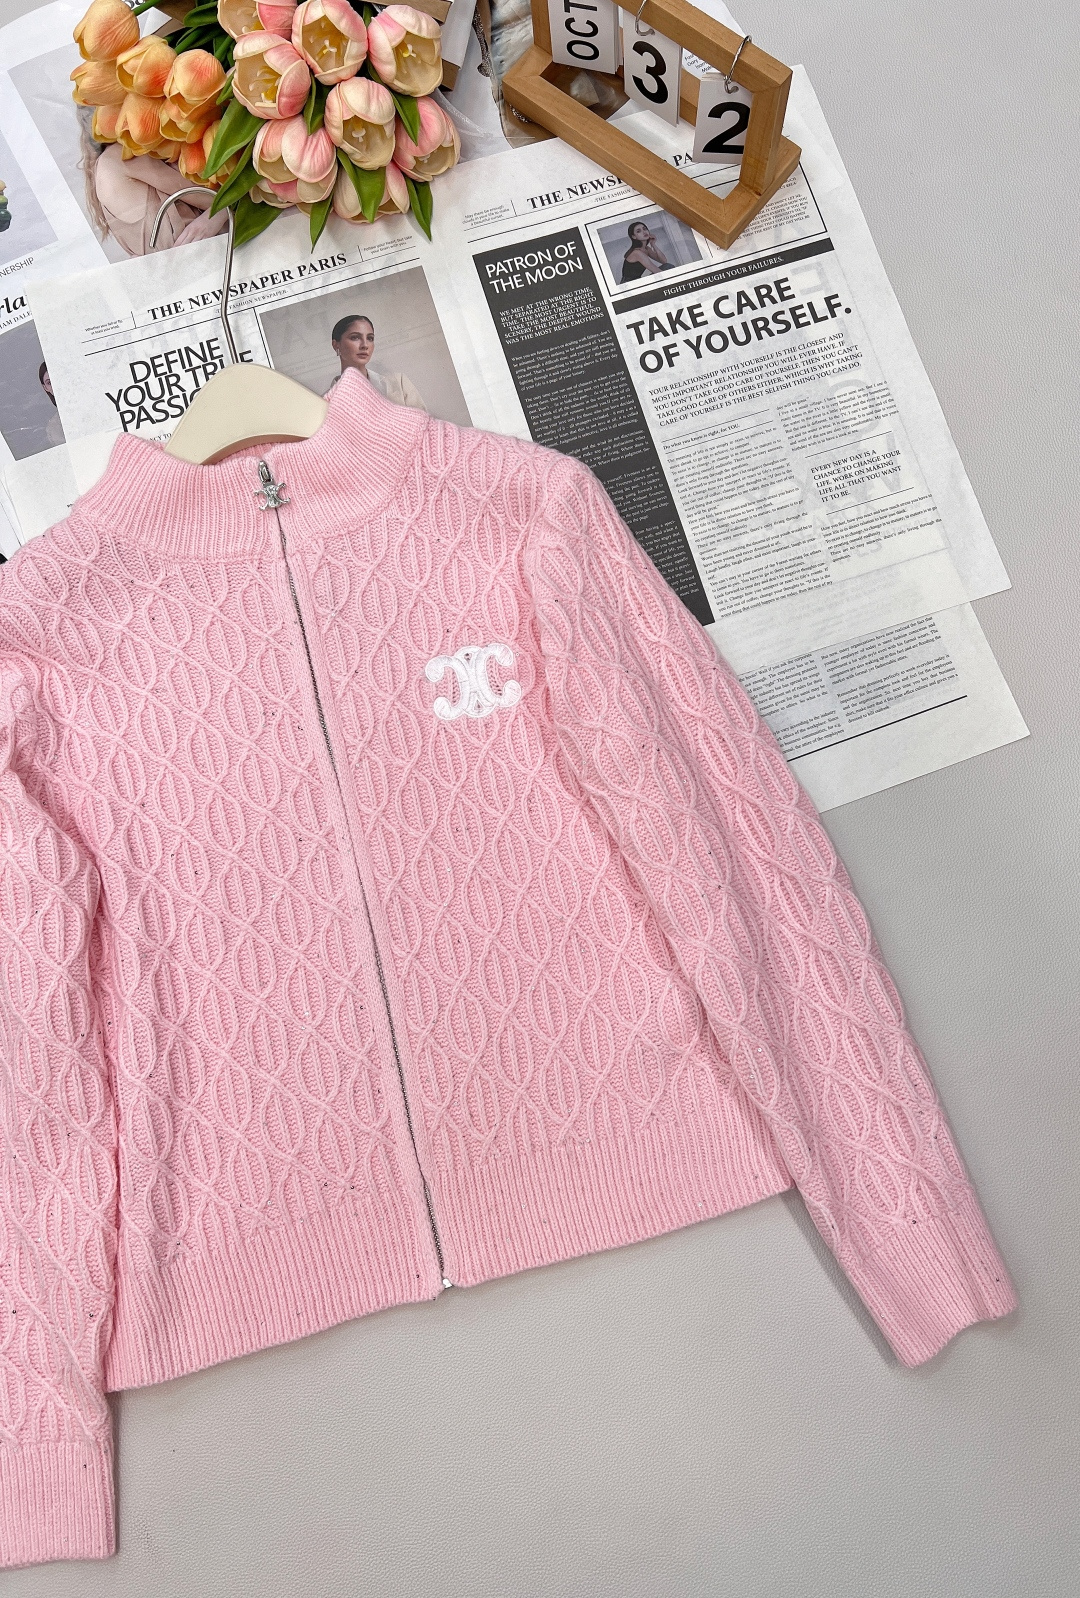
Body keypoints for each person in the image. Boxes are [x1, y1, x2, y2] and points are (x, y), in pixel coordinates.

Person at [328, 314, 427, 410]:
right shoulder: (325, 404)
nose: (365, 345)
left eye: (370, 338)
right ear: (336, 345)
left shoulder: (399, 384)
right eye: (355, 337)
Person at [37, 362, 65, 449]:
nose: (55, 385)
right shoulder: (53, 427)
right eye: (49, 382)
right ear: (45, 388)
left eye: (56, 378)